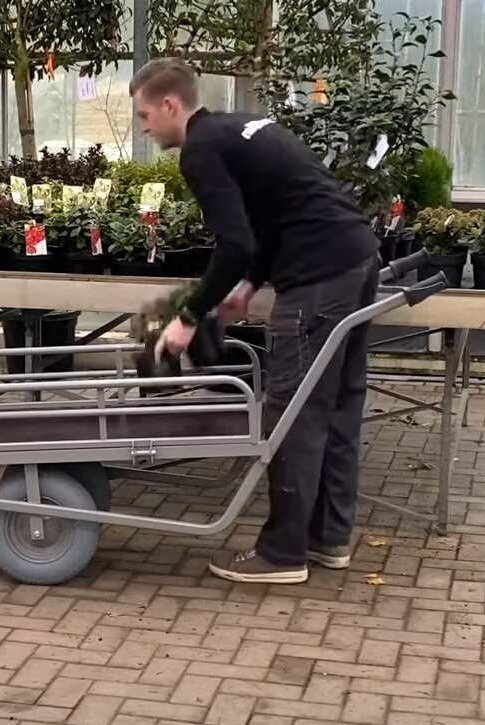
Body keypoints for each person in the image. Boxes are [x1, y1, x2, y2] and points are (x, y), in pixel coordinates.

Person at [130, 58, 380, 584]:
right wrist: (248, 285)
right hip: (356, 259)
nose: (145, 128)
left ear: (170, 105)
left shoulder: (201, 150)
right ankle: (328, 540)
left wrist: (188, 317)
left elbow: (235, 242)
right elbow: (269, 218)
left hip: (317, 278)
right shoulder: (235, 128)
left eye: (145, 116)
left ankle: (283, 554)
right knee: (337, 407)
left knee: (293, 413)